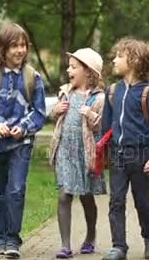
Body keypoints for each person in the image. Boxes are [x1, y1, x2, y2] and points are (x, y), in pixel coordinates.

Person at [0, 22, 46, 259]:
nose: (19, 50)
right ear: (1, 49)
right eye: (14, 46)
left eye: (23, 45)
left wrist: (22, 127)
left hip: (21, 144)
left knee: (16, 190)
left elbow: (39, 112)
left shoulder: (33, 77)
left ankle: (13, 239)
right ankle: (0, 239)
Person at [101, 37, 149, 260]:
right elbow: (105, 128)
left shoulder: (148, 94)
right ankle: (119, 246)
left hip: (140, 156)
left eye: (119, 55)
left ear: (135, 60)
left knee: (142, 202)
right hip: (117, 155)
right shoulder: (112, 91)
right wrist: (101, 154)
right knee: (116, 201)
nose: (114, 59)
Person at [48, 48, 107, 258]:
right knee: (64, 195)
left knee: (86, 196)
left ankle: (90, 236)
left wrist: (91, 116)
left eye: (74, 67)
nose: (68, 70)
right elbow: (54, 117)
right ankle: (65, 245)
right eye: (69, 66)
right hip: (65, 150)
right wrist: (55, 111)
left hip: (86, 154)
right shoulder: (65, 92)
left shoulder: (99, 98)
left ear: (89, 72)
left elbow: (103, 127)